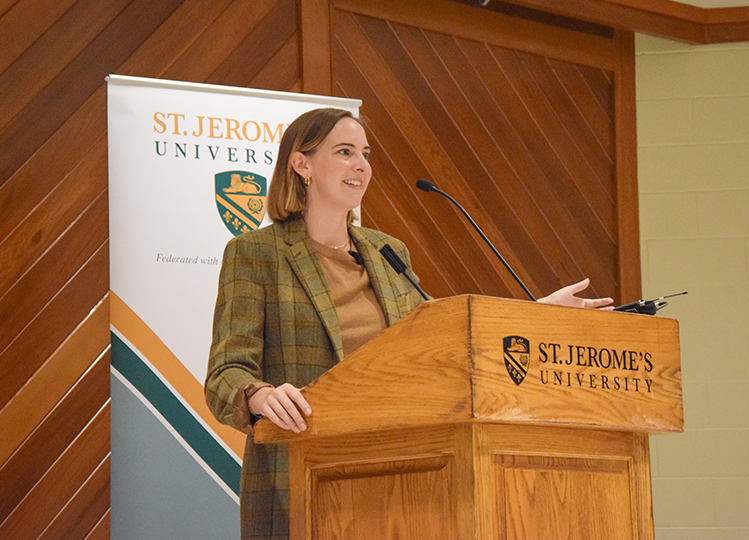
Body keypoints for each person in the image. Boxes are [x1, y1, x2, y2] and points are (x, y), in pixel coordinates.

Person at [205, 107, 613, 540]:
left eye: (365, 154)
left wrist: (537, 312)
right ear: (301, 164)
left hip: (399, 474)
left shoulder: (387, 252)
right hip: (301, 474)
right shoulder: (256, 253)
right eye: (345, 152)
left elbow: (443, 333)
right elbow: (225, 372)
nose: (361, 165)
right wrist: (261, 396)